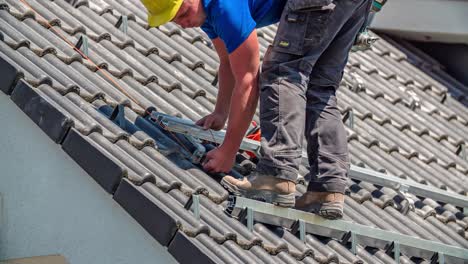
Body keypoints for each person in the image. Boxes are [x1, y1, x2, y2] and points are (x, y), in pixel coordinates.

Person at [141, 0, 371, 219]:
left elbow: (248, 79)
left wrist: (228, 151)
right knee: (319, 88)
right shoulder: (207, 12)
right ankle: (327, 189)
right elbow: (228, 62)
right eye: (172, 20)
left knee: (283, 74)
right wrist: (221, 112)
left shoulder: (224, 6)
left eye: (182, 13)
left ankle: (276, 174)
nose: (182, 23)